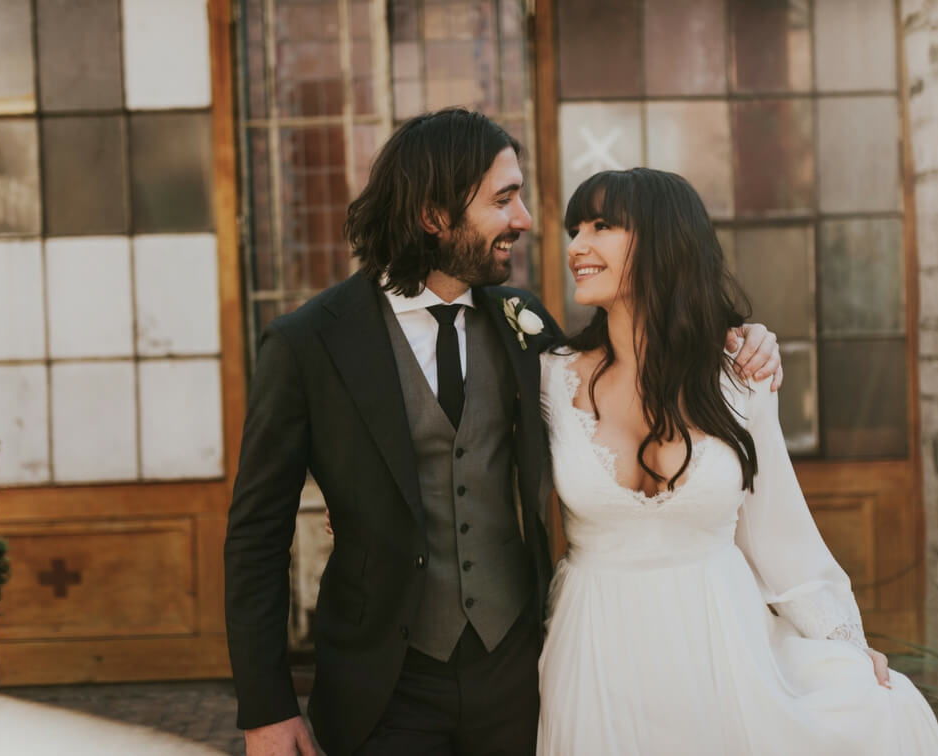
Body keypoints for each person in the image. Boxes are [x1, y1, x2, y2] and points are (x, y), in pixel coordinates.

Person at [224, 110, 781, 756]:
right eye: (503, 199)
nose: (522, 220)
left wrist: (736, 339)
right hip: (383, 684)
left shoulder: (524, 326)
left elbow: (630, 369)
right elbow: (256, 537)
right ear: (434, 215)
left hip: (518, 674)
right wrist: (265, 708)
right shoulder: (307, 344)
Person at [536, 167, 938, 754]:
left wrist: (847, 645)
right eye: (575, 229)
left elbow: (780, 531)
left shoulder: (740, 375)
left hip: (725, 650)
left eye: (602, 226)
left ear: (663, 240)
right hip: (596, 652)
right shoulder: (549, 376)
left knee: (884, 709)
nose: (577, 246)